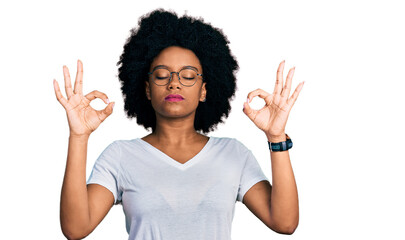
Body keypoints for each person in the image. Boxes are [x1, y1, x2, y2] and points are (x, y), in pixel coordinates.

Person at [53, 9, 304, 240]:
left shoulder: (234, 155)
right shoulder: (120, 156)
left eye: (187, 75)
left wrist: (276, 137)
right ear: (147, 89)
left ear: (204, 90)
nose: (174, 83)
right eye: (162, 75)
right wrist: (78, 137)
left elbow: (285, 223)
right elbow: (75, 228)